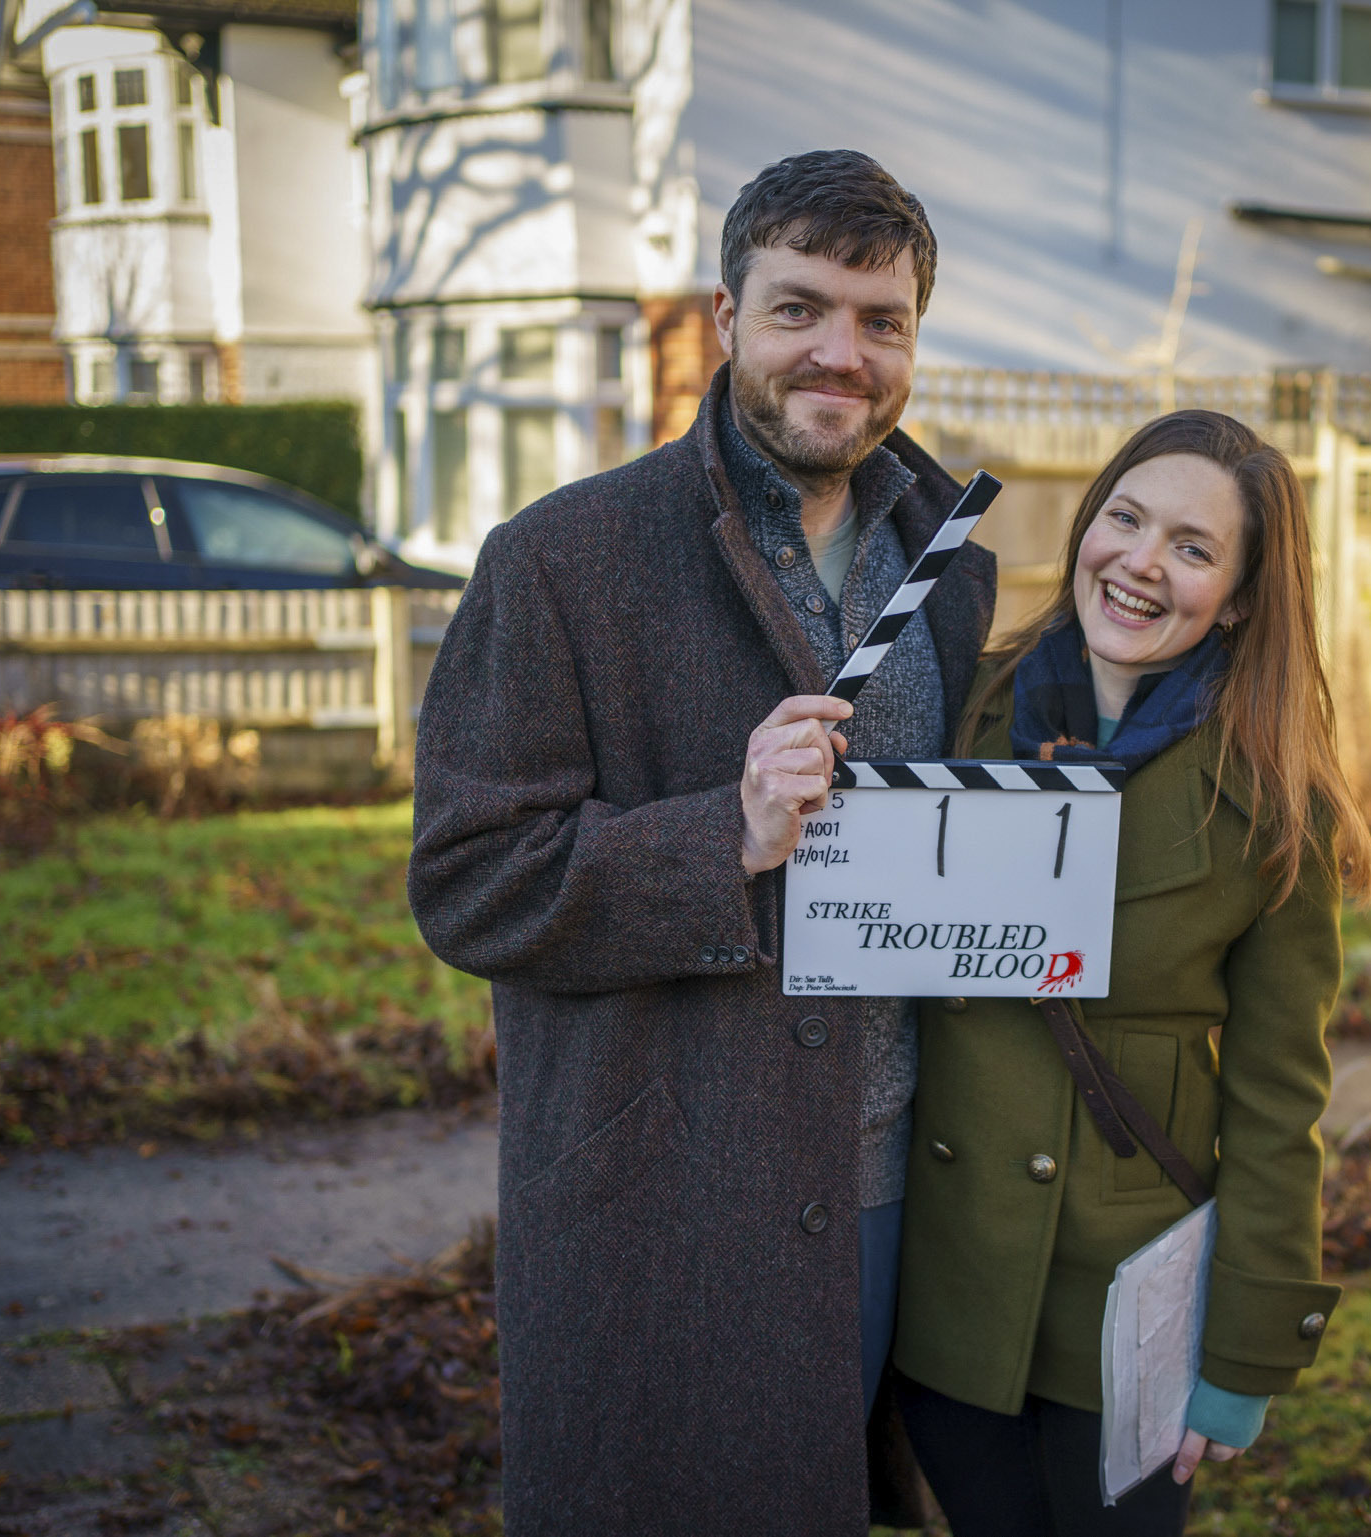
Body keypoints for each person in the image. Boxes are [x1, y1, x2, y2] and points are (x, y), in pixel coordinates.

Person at [406, 150, 995, 1535]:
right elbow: (467, 883)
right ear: (725, 318)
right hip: (667, 1206)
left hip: (897, 1180)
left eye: (881, 319)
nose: (839, 354)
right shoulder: (561, 559)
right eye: (799, 309)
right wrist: (716, 837)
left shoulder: (954, 564)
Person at [890, 410, 1371, 1535]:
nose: (1141, 563)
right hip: (951, 1279)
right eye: (1124, 517)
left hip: (1126, 1306)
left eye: (1194, 548)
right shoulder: (957, 706)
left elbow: (1275, 1103)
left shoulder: (1272, 804)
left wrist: (1247, 1350)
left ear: (1243, 595)